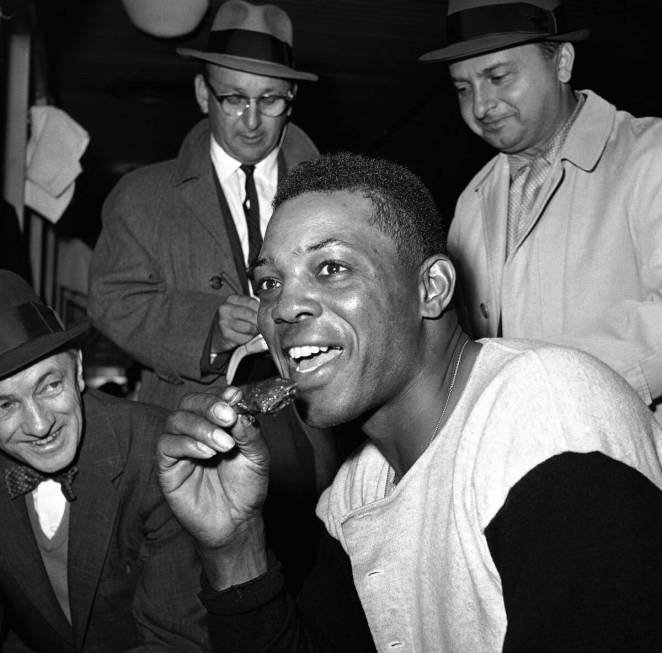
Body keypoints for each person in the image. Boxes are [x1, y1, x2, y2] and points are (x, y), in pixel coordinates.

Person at [157, 153, 662, 652]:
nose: (283, 308)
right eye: (269, 283)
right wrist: (234, 546)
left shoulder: (547, 421)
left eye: (331, 267)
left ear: (430, 288)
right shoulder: (358, 489)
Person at [88, 0, 337, 591]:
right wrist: (206, 326)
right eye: (233, 98)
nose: (252, 119)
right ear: (203, 94)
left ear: (291, 100)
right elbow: (113, 298)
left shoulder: (337, 193)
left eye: (270, 99)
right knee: (189, 601)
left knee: (318, 592)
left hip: (315, 437)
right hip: (189, 432)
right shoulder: (141, 197)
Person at [417, 0, 662, 413]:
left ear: (562, 62)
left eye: (498, 77)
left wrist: (532, 386)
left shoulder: (650, 156)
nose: (481, 106)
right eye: (463, 89)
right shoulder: (471, 203)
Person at [0, 271, 208, 651]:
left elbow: (177, 642)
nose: (39, 424)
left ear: (78, 370)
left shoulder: (156, 454)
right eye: (5, 405)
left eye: (50, 385)